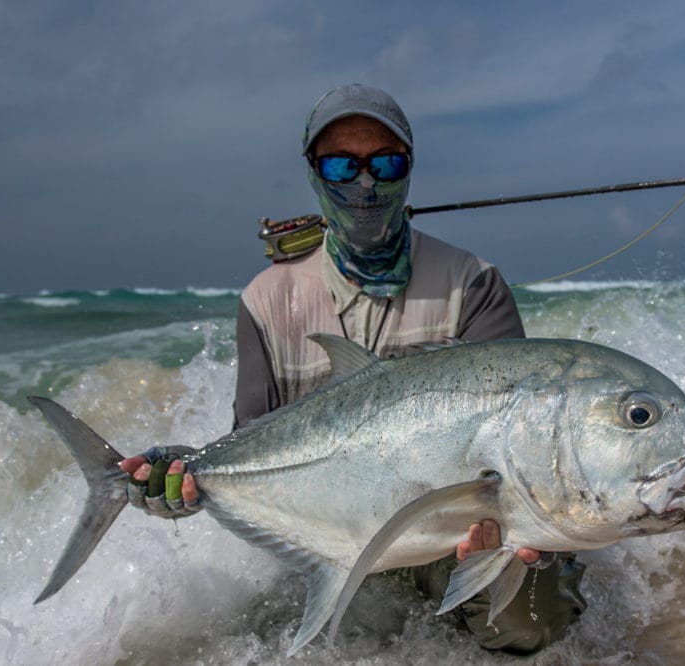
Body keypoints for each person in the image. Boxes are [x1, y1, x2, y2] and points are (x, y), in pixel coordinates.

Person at [120, 84, 586, 654]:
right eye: (342, 165)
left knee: (529, 618)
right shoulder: (266, 301)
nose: (366, 184)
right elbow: (250, 444)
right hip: (323, 531)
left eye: (385, 163)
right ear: (315, 175)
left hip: (446, 542)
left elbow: (512, 441)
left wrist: (521, 526)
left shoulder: (472, 283)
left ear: (408, 171)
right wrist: (192, 475)